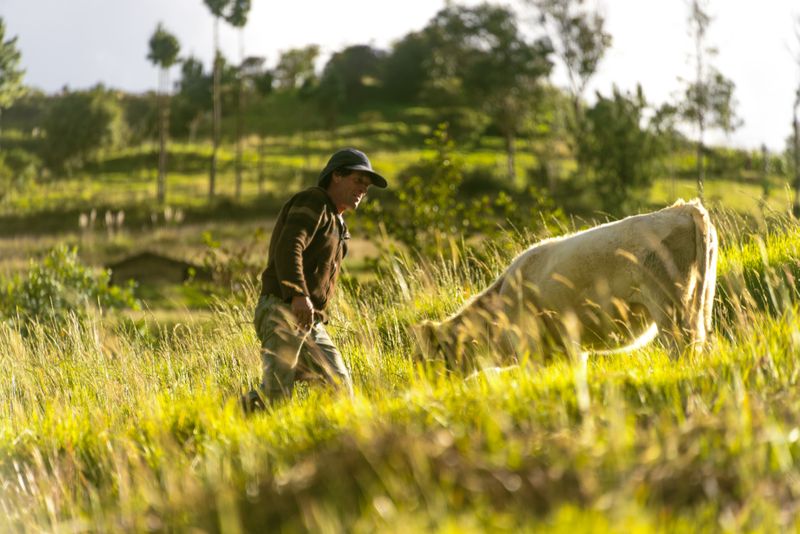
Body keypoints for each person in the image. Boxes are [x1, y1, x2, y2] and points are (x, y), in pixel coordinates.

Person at [242, 148, 387, 412]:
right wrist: (298, 294)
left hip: (307, 319)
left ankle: (335, 443)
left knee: (338, 384)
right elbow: (290, 245)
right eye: (358, 181)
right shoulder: (314, 201)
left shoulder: (337, 221)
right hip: (284, 310)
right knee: (277, 398)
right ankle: (228, 418)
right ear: (336, 176)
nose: (363, 191)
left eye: (366, 187)